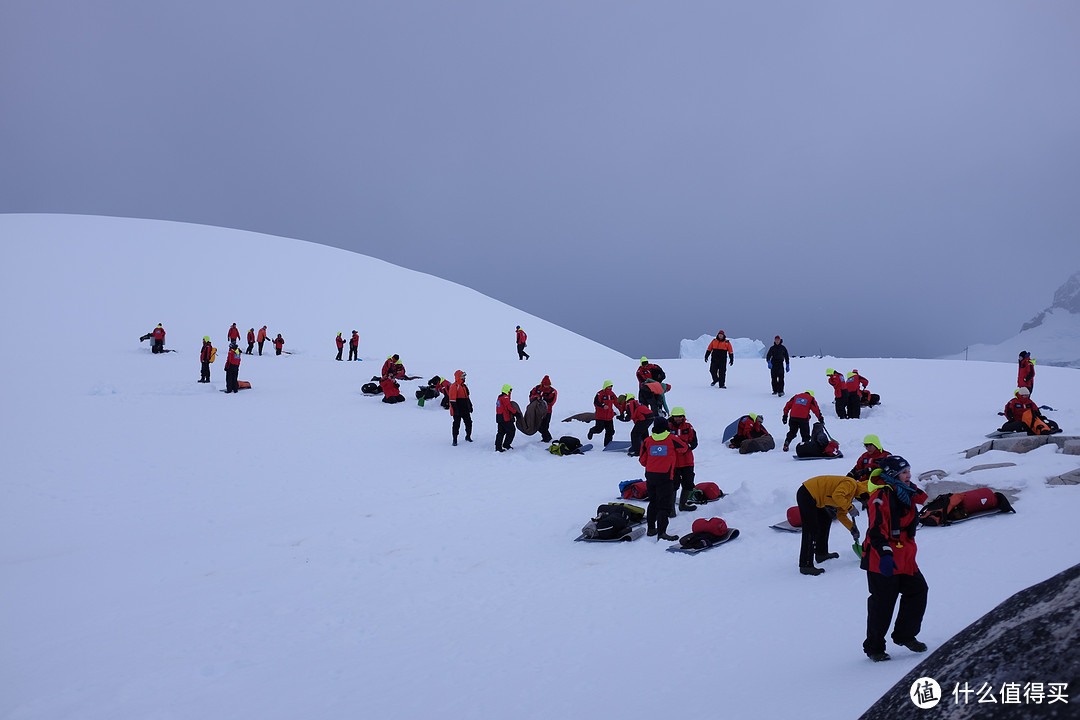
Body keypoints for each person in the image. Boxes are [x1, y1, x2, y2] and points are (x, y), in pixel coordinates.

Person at [861, 455, 930, 662]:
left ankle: (904, 635)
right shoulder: (880, 497)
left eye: (909, 471)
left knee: (918, 590)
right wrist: (885, 555)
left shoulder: (906, 492)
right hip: (882, 558)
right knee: (883, 604)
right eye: (904, 472)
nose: (909, 475)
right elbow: (875, 531)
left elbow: (922, 498)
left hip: (906, 556)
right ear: (892, 475)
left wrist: (910, 487)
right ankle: (874, 647)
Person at [796, 474, 866, 575]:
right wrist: (850, 508)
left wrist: (852, 528)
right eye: (863, 499)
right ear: (863, 493)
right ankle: (805, 565)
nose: (861, 501)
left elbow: (841, 515)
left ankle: (821, 553)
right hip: (807, 493)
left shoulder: (850, 494)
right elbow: (837, 496)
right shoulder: (850, 484)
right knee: (811, 529)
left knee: (825, 519)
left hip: (815, 498)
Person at [639, 417, 688, 541]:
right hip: (665, 477)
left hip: (650, 475)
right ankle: (662, 533)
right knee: (664, 506)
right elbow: (684, 448)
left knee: (653, 502)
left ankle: (651, 529)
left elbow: (642, 460)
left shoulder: (647, 441)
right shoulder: (672, 439)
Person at [668, 407, 699, 513]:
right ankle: (671, 508)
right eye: (676, 417)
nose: (678, 419)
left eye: (680, 416)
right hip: (673, 463)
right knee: (673, 485)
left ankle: (683, 504)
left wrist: (686, 447)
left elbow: (694, 442)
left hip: (687, 461)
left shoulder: (689, 427)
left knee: (688, 483)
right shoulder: (667, 428)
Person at [587, 381, 619, 447]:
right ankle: (592, 431)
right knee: (599, 430)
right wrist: (603, 405)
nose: (610, 387)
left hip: (609, 417)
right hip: (600, 416)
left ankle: (607, 445)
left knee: (610, 431)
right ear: (605, 386)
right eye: (609, 386)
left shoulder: (612, 394)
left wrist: (623, 409)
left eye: (611, 386)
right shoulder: (600, 393)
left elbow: (617, 403)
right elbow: (596, 402)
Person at [529, 376, 557, 442]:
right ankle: (547, 437)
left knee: (545, 425)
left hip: (547, 411)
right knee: (538, 425)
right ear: (542, 384)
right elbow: (531, 395)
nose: (547, 386)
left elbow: (550, 400)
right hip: (538, 410)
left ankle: (546, 438)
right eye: (545, 385)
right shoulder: (537, 388)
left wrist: (542, 399)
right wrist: (536, 398)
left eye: (548, 385)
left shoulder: (551, 391)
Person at [448, 370, 473, 445]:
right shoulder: (454, 386)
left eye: (464, 376)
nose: (464, 377)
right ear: (459, 377)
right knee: (456, 425)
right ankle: (455, 440)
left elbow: (467, 397)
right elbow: (452, 400)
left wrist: (470, 406)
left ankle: (468, 436)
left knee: (469, 423)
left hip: (465, 409)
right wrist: (455, 410)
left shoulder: (464, 386)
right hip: (457, 410)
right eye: (463, 376)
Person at [495, 384, 520, 451]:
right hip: (505, 418)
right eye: (510, 390)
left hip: (499, 417)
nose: (511, 391)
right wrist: (516, 413)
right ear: (507, 390)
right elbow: (508, 407)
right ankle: (506, 444)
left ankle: (498, 447)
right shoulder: (505, 397)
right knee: (511, 431)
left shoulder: (499, 397)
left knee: (501, 432)